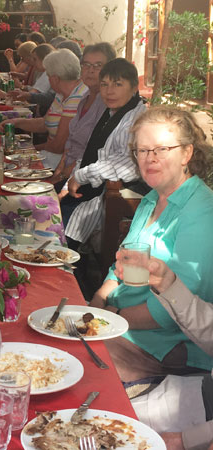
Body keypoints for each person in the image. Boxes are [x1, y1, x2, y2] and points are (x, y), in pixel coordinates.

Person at [90, 106, 213, 386]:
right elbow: (121, 265)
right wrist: (98, 300)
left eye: (161, 149)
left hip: (159, 347)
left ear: (187, 153)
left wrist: (113, 318)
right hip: (119, 323)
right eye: (143, 151)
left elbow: (173, 310)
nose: (150, 159)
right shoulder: (150, 200)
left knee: (71, 364)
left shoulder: (202, 213)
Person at [116, 258, 213, 450]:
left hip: (202, 423)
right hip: (201, 393)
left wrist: (187, 439)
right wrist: (167, 284)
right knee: (103, 420)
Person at [61, 58, 146, 249]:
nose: (109, 91)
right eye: (104, 85)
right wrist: (69, 182)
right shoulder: (112, 113)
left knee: (57, 231)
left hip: (116, 194)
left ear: (134, 87)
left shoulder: (136, 119)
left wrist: (81, 176)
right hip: (92, 189)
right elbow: (93, 153)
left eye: (118, 84)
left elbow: (128, 164)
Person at [1, 49, 88, 169]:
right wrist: (16, 122)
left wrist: (29, 150)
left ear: (55, 78)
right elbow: (45, 122)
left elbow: (58, 146)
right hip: (50, 157)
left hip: (60, 165)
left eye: (47, 76)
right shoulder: (61, 93)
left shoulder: (77, 97)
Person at [50, 42, 116, 186]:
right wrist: (60, 169)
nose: (90, 70)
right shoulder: (85, 97)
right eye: (86, 65)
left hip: (83, 181)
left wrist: (62, 176)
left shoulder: (108, 104)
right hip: (65, 172)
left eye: (98, 65)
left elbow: (93, 153)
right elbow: (70, 143)